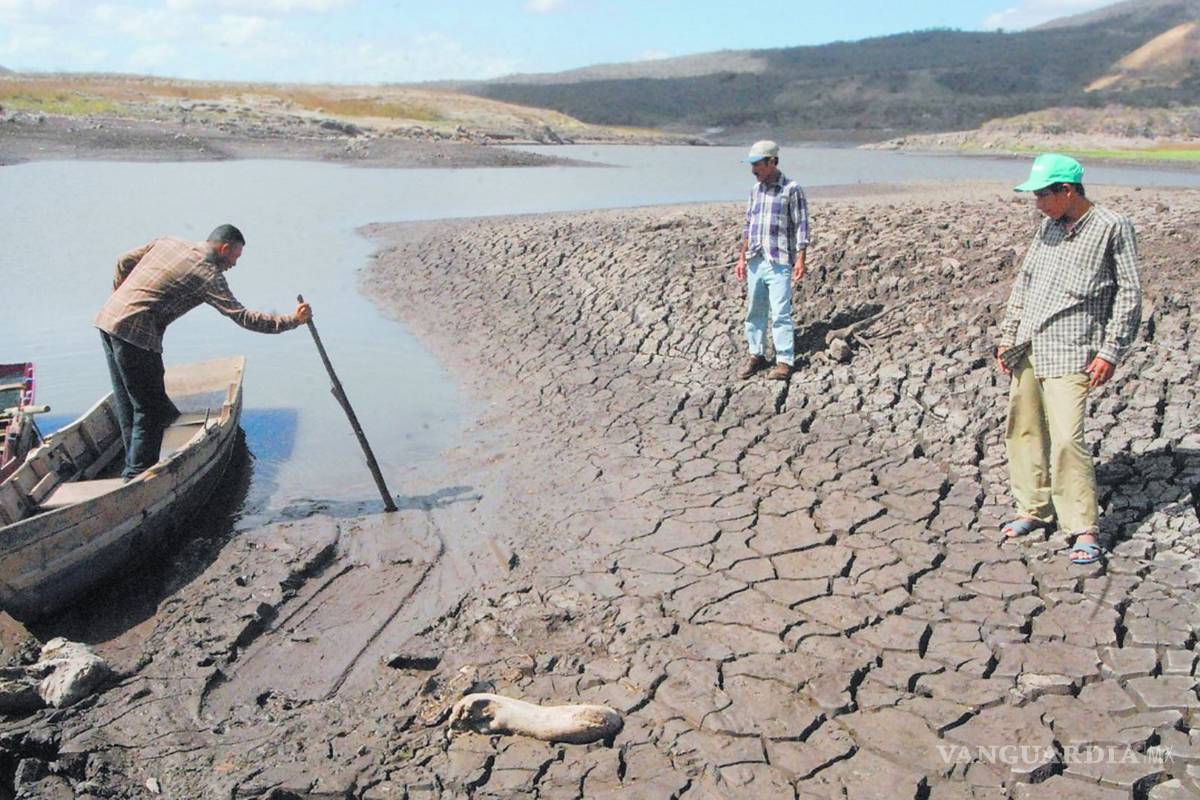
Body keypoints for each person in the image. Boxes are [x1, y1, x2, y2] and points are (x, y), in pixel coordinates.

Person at [995, 154, 1142, 565]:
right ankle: (1033, 508)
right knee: (1022, 430)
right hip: (1029, 345)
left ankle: (1083, 528)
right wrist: (1007, 338)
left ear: (1068, 190)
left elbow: (1130, 294)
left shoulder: (1112, 226)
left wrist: (1110, 350)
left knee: (1067, 439)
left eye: (1043, 194)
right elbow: (1024, 285)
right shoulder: (1048, 227)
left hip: (1073, 348)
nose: (1037, 203)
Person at [94, 224, 312, 480]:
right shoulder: (208, 275)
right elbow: (243, 317)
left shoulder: (169, 241)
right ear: (225, 248)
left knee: (129, 404)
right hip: (137, 335)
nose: (234, 264)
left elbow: (122, 261)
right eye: (235, 257)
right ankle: (137, 478)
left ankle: (132, 467)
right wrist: (293, 320)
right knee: (150, 411)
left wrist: (120, 297)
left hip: (108, 320)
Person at [735, 140, 809, 381]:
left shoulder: (792, 189)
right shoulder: (755, 191)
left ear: (772, 162)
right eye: (752, 164)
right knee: (754, 310)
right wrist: (741, 258)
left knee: (780, 313)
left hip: (780, 260)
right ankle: (756, 354)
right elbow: (748, 225)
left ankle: (784, 360)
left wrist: (801, 259)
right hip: (756, 259)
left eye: (758, 164)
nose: (753, 169)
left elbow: (801, 225)